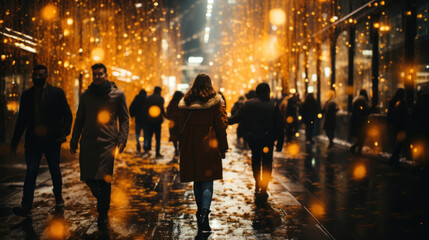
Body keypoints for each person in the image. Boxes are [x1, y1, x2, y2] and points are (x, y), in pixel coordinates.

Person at [70, 63, 129, 231]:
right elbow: (79, 118)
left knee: (104, 178)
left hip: (108, 143)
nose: (97, 77)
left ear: (106, 75)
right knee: (88, 176)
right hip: (88, 142)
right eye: (95, 74)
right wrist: (74, 140)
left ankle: (103, 212)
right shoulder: (86, 95)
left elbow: (125, 118)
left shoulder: (117, 95)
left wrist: (122, 138)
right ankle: (101, 199)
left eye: (100, 74)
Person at [10, 64, 73, 217]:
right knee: (31, 171)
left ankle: (58, 197)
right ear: (32, 76)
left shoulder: (57, 93)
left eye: (41, 75)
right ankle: (26, 205)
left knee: (55, 171)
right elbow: (22, 120)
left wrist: (64, 133)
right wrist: (15, 142)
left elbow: (68, 115)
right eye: (35, 75)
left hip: (52, 141)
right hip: (33, 141)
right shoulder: (27, 95)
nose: (37, 77)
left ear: (46, 76)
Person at [178, 74, 228, 234]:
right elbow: (221, 126)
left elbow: (180, 125)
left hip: (190, 144)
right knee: (207, 180)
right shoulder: (215, 102)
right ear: (209, 84)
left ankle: (200, 212)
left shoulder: (186, 101)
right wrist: (223, 146)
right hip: (209, 144)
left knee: (197, 180)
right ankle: (204, 214)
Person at [229, 83, 284, 201]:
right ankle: (264, 188)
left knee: (256, 161)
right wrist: (280, 143)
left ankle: (257, 183)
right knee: (267, 163)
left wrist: (223, 120)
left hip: (253, 138)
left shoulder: (247, 104)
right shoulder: (273, 105)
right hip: (268, 139)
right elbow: (280, 125)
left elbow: (237, 118)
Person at [143, 86, 165, 157]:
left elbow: (145, 108)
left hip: (150, 120)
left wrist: (147, 117)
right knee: (158, 138)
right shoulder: (161, 99)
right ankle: (157, 153)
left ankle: (147, 149)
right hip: (158, 121)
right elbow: (162, 109)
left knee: (149, 136)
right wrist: (165, 116)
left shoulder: (148, 98)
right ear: (159, 91)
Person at [349, 89, 371, 155]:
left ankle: (355, 148)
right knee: (362, 136)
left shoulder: (357, 100)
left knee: (361, 136)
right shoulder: (362, 101)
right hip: (361, 122)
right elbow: (364, 111)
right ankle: (357, 151)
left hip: (357, 121)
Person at [165, 90, 184, 156]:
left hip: (172, 123)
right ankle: (179, 149)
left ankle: (176, 149)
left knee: (174, 137)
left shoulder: (171, 103)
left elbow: (168, 112)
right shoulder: (182, 103)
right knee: (180, 136)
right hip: (179, 123)